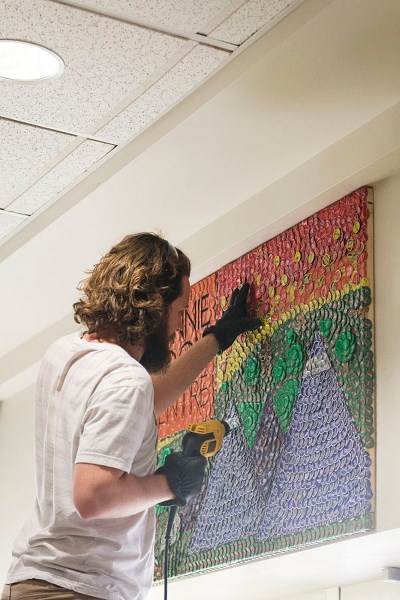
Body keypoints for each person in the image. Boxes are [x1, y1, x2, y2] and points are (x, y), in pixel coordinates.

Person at [2, 232, 260, 600]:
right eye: (179, 311)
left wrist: (215, 338)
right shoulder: (125, 379)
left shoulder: (66, 353)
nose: (178, 326)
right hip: (81, 588)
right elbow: (94, 495)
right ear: (155, 305)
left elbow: (137, 404)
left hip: (36, 581)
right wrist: (171, 484)